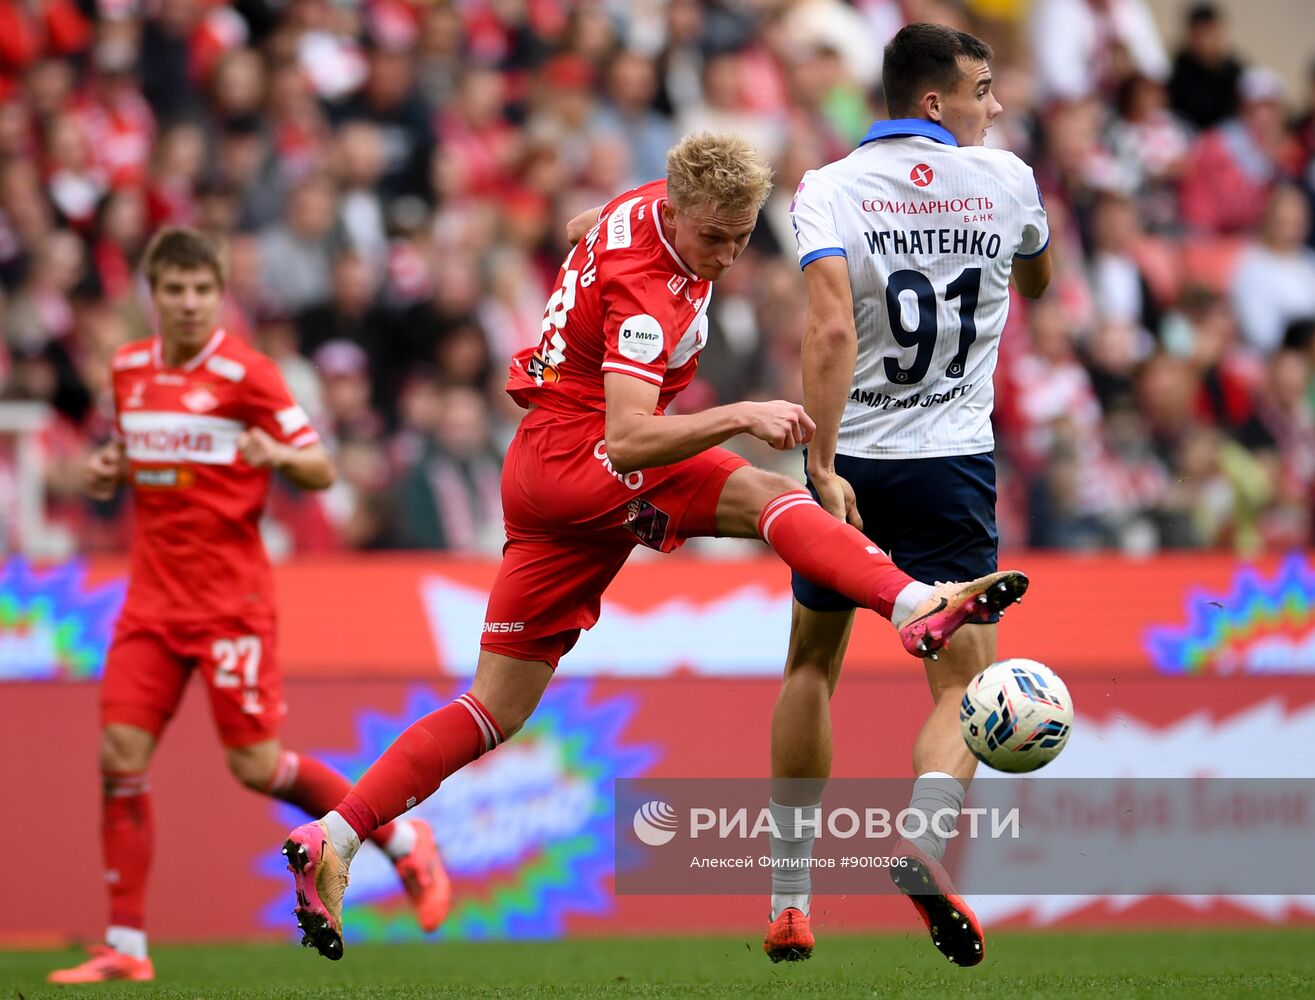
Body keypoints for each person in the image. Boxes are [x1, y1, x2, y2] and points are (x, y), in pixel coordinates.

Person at [279, 132, 1028, 961]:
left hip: (536, 471)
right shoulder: (650, 293)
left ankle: (336, 838)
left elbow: (585, 222)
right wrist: (741, 413)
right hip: (587, 454)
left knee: (494, 706)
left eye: (742, 237)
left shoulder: (650, 206)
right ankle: (915, 603)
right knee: (767, 492)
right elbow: (633, 438)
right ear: (675, 213)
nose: (727, 254)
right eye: (714, 237)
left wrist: (599, 235)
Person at [48, 228, 450, 985]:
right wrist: (108, 468)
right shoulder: (128, 369)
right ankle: (126, 949)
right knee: (118, 761)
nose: (191, 303)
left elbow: (323, 468)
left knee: (256, 766)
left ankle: (400, 841)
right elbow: (137, 457)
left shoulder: (248, 373)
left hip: (231, 605)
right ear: (154, 295)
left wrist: (280, 456)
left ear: (220, 292)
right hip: (149, 606)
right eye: (175, 290)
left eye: (203, 289)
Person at [762, 24, 1051, 969]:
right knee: (963, 683)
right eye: (981, 88)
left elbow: (831, 327)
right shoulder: (1007, 178)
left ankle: (790, 902)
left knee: (811, 664)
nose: (993, 106)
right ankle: (922, 841)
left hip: (853, 465)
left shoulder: (826, 188)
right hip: (949, 463)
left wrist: (820, 464)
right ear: (934, 102)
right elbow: (1037, 274)